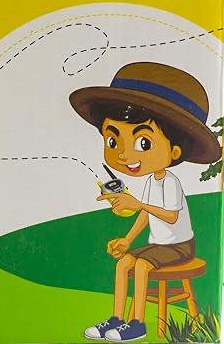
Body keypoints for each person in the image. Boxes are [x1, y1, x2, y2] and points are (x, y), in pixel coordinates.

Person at [69, 62, 221, 342]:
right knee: (123, 263)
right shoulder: (152, 181)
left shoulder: (171, 182)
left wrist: (138, 203)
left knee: (140, 266)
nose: (124, 155)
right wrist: (127, 240)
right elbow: (146, 216)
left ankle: (137, 324)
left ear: (175, 151)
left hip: (179, 247)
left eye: (143, 143)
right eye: (113, 141)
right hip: (160, 246)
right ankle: (116, 319)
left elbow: (170, 216)